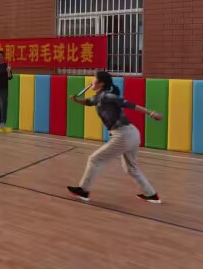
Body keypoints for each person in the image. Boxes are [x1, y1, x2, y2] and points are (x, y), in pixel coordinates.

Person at [67, 71, 163, 203]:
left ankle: (83, 190)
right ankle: (152, 195)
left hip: (123, 135)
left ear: (101, 83)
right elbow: (89, 102)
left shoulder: (107, 96)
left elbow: (129, 104)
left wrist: (150, 113)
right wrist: (77, 100)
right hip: (132, 133)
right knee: (131, 168)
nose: (92, 82)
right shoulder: (100, 96)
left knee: (94, 159)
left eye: (94, 79)